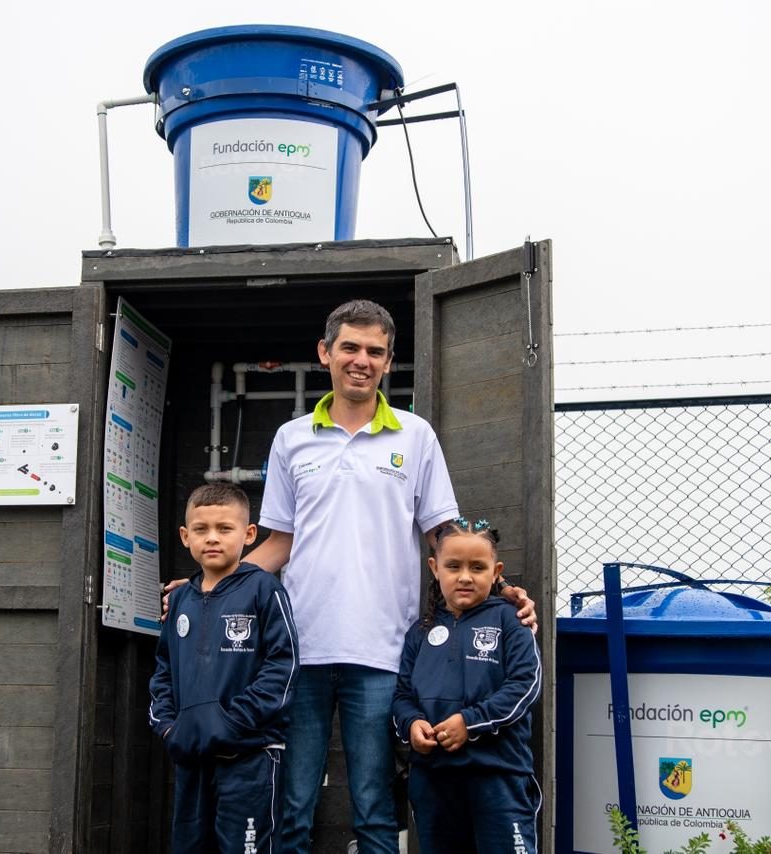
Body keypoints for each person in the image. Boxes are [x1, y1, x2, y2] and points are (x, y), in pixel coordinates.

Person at [164, 299, 537, 853]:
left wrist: (501, 592)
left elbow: (444, 535)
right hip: (298, 653)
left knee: (374, 808)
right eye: (350, 348)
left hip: (385, 653)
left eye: (375, 351)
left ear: (388, 362)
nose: (362, 360)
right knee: (292, 809)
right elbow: (280, 544)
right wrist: (207, 589)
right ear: (325, 353)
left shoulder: (416, 437)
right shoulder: (292, 438)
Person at [148, 483, 299, 854]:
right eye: (201, 530)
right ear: (185, 537)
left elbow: (284, 665)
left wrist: (233, 722)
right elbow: (163, 669)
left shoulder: (265, 590)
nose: (212, 538)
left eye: (224, 529)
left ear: (248, 535)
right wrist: (168, 727)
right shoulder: (180, 599)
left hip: (250, 758)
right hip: (193, 759)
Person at [392, 517, 542, 854]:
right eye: (453, 566)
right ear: (434, 567)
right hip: (434, 780)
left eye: (477, 567)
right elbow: (402, 695)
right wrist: (413, 724)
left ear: (496, 570)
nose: (464, 576)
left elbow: (525, 685)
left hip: (499, 776)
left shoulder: (512, 620)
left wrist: (469, 722)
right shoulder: (420, 632)